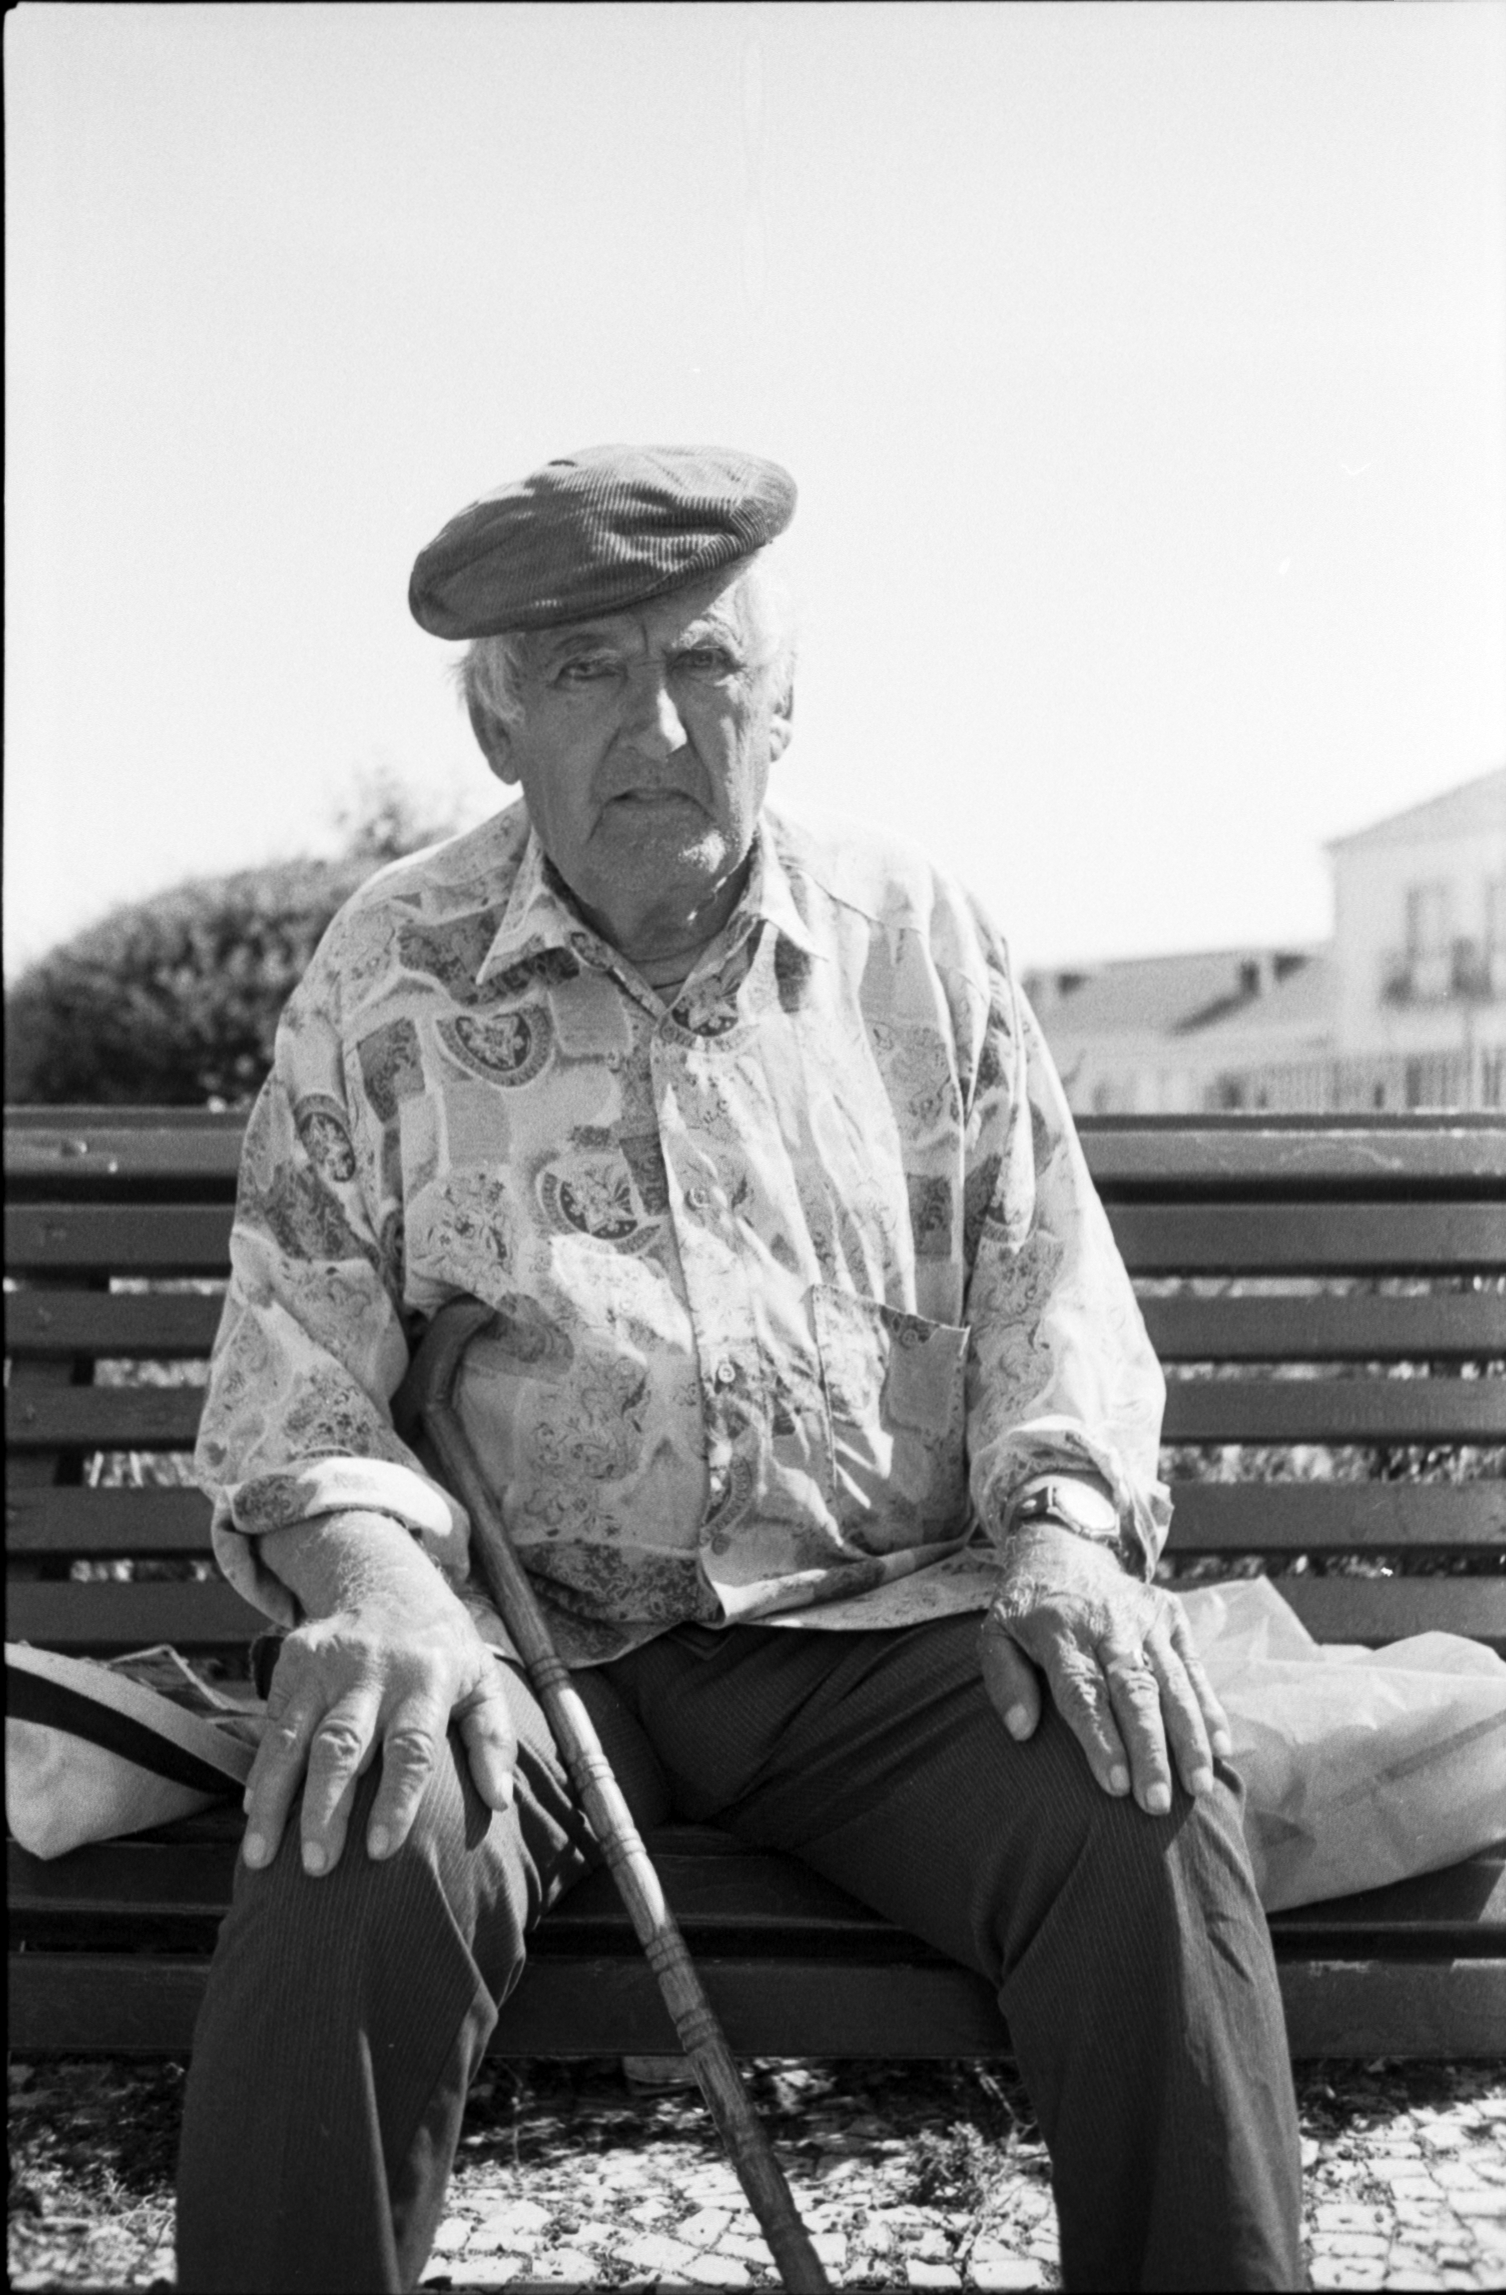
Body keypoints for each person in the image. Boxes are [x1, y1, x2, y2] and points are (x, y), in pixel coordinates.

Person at [177, 444, 1304, 2294]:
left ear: (784, 704)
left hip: (879, 1636)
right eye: (584, 670)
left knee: (1138, 1799)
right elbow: (293, 1365)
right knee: (358, 1818)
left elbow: (1054, 1304)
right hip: (533, 1647)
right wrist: (374, 1584)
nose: (656, 725)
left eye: (703, 662)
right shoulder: (389, 969)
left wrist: (1062, 1540)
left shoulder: (912, 939)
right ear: (496, 726)